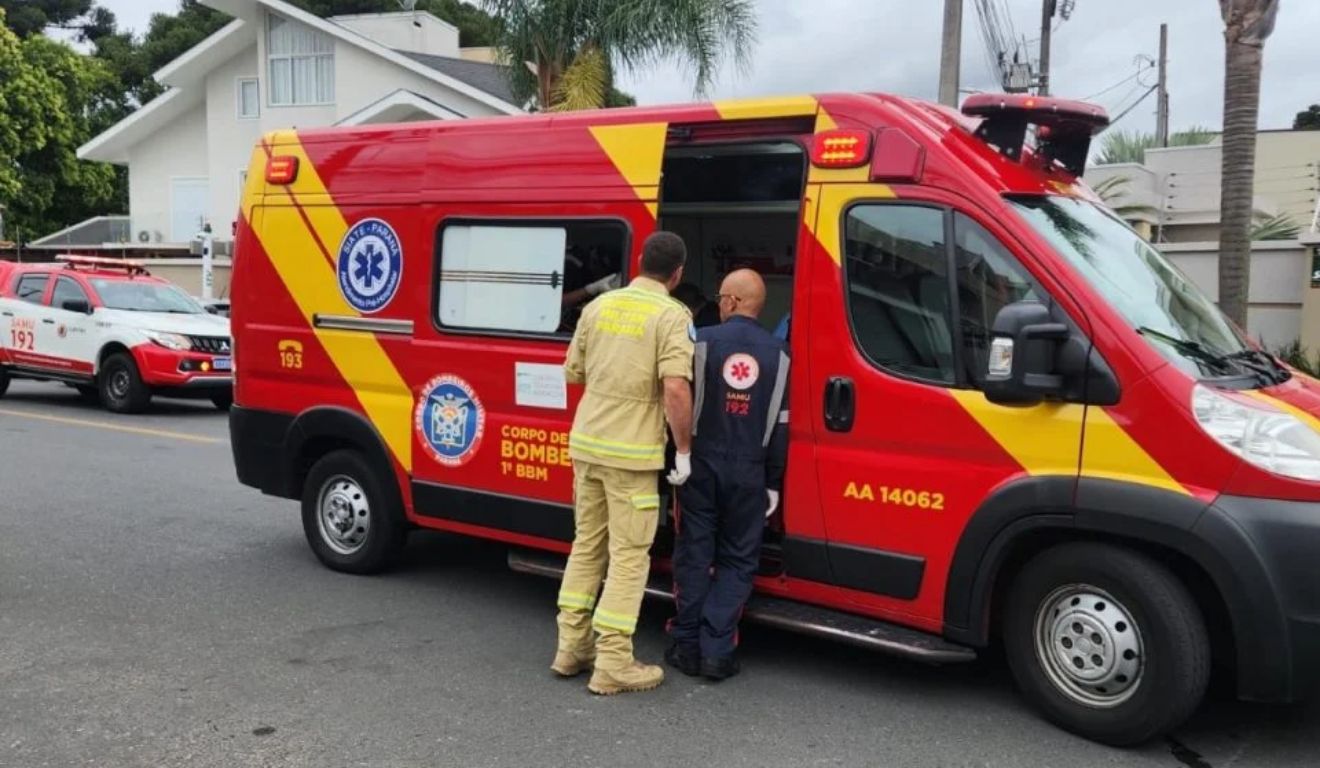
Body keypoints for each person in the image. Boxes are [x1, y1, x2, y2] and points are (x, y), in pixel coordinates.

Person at [553, 231, 696, 695]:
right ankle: (613, 661)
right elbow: (675, 388)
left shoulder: (599, 306)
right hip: (631, 456)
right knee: (629, 557)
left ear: (639, 261)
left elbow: (573, 370)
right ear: (677, 274)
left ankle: (571, 648)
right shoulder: (672, 315)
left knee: (586, 546)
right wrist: (685, 450)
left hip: (588, 445)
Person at [666, 268, 789, 681]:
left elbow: (678, 403)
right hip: (750, 470)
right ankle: (717, 651)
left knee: (695, 553)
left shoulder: (700, 342)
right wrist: (773, 481)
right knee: (739, 560)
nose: (718, 303)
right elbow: (780, 425)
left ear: (733, 302)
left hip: (701, 464)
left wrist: (676, 458)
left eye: (721, 297)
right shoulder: (781, 354)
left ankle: (686, 644)